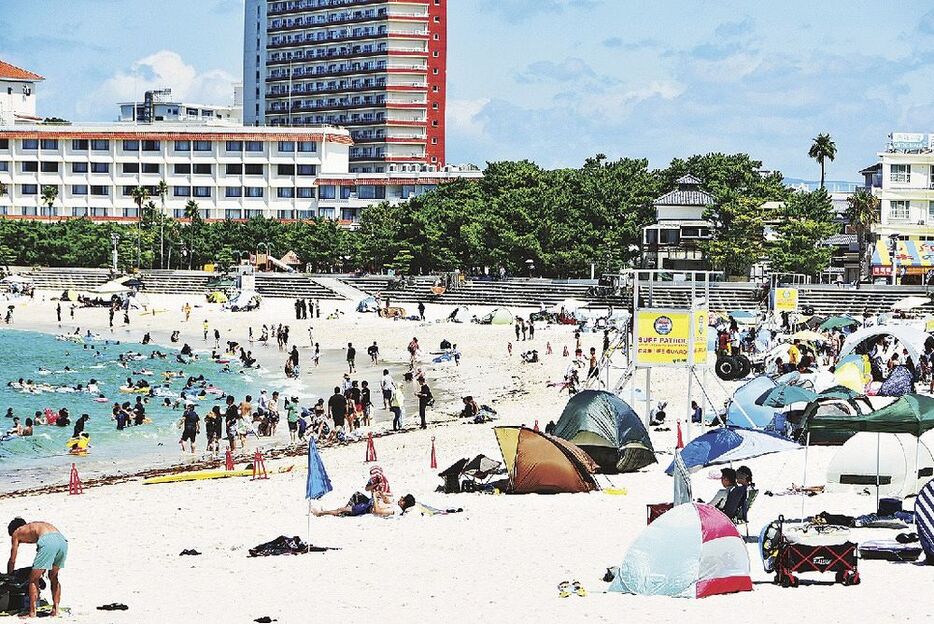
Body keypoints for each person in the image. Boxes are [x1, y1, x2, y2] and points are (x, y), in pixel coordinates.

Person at [7, 518, 67, 618]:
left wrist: (10, 576)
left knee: (33, 579)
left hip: (48, 541)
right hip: (62, 541)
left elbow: (12, 559)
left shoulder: (16, 532)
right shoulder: (35, 526)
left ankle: (32, 612)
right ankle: (56, 609)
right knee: (53, 576)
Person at [312, 493, 416, 518]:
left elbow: (378, 511)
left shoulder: (396, 510)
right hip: (369, 504)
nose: (400, 498)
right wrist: (382, 495)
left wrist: (375, 498)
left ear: (404, 503)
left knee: (341, 509)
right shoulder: (396, 506)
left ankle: (320, 513)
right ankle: (344, 512)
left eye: (402, 499)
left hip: (367, 508)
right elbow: (387, 502)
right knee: (357, 495)